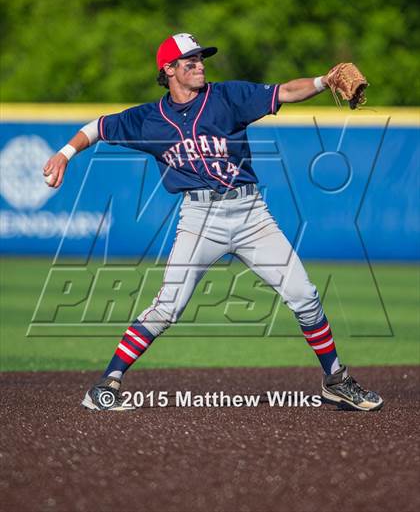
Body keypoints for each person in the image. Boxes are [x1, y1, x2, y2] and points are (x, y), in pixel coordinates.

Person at [43, 33, 383, 412]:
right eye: (190, 61)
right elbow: (98, 127)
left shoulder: (227, 97)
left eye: (201, 59)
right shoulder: (148, 120)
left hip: (252, 214)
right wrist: (64, 154)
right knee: (167, 307)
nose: (200, 65)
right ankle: (106, 385)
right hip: (200, 218)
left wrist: (322, 81)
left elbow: (285, 91)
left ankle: (335, 380)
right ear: (168, 70)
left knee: (304, 295)